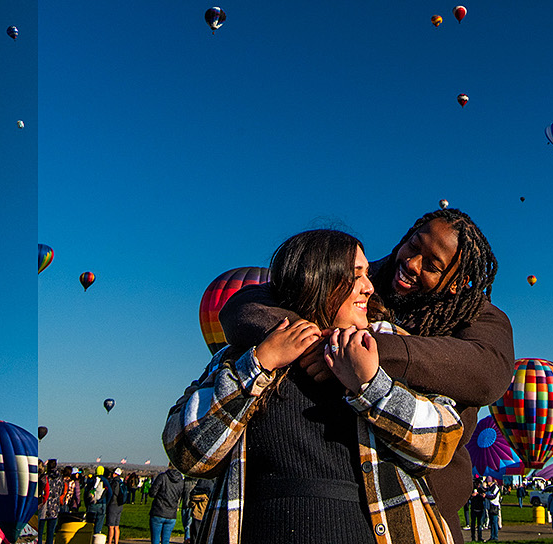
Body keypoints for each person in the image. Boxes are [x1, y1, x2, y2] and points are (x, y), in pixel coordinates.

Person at [219, 207, 514, 542]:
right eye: (413, 246)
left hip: (422, 505)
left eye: (432, 266)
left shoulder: (477, 316)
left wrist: (364, 351)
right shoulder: (361, 278)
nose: (412, 263)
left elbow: (489, 371)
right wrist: (312, 341)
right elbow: (244, 306)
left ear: (456, 284)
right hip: (334, 490)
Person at [165, 228, 464, 543]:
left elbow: (442, 443)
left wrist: (371, 385)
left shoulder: (390, 345)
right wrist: (260, 363)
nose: (369, 287)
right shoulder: (242, 354)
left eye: (368, 275)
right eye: (356, 276)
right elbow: (187, 453)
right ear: (318, 280)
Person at [148, 467, 185, 544]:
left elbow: (152, 493)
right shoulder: (181, 481)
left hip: (158, 511)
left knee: (155, 539)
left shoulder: (163, 477)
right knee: (166, 540)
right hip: (171, 513)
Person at [36, 460, 62, 544]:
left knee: (39, 532)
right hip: (54, 507)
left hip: (44, 506)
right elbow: (61, 491)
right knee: (50, 533)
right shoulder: (59, 478)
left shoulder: (45, 477)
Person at [105, 468, 125, 544]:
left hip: (113, 504)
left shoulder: (114, 482)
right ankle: (116, 542)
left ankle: (109, 542)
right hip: (120, 505)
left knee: (111, 526)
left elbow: (112, 494)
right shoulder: (121, 482)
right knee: (117, 526)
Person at [486, 477, 502, 541]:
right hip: (490, 506)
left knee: (495, 522)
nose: (487, 483)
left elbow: (493, 496)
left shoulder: (495, 488)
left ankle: (496, 536)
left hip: (495, 506)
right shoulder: (489, 488)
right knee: (492, 522)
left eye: (488, 482)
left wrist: (486, 496)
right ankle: (492, 536)